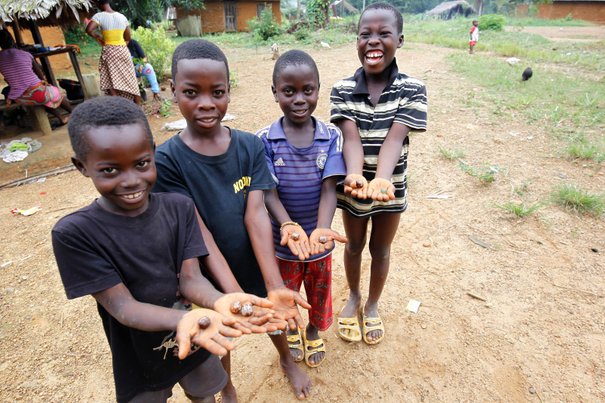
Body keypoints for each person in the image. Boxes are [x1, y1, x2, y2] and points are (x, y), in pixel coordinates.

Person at [51, 96, 283, 402]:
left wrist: (222, 301)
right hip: (140, 354)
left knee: (205, 394)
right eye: (110, 170)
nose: (131, 181)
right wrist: (183, 320)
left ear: (153, 155)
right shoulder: (76, 233)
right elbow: (123, 307)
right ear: (81, 166)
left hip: (199, 338)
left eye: (142, 164)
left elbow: (191, 280)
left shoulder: (179, 208)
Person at [153, 39, 313, 401]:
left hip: (255, 256)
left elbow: (256, 213)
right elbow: (198, 231)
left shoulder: (248, 146)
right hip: (207, 271)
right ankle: (226, 386)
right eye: (192, 92)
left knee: (273, 310)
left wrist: (272, 282)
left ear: (229, 91)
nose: (207, 103)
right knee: (222, 328)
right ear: (173, 91)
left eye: (218, 92)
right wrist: (232, 293)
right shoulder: (167, 161)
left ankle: (286, 359)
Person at [330, 3, 428, 345]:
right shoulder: (341, 89)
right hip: (353, 188)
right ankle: (354, 295)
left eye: (383, 33)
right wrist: (356, 175)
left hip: (393, 187)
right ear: (356, 40)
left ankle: (372, 305)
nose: (373, 40)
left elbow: (396, 137)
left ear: (399, 40)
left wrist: (382, 180)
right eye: (365, 34)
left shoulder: (413, 89)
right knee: (354, 245)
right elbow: (350, 138)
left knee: (381, 249)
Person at [256, 50, 347, 368]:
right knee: (287, 293)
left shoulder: (331, 136)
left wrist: (321, 231)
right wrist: (286, 225)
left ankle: (312, 330)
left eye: (307, 90)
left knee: (319, 294)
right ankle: (293, 329)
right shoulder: (264, 140)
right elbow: (269, 193)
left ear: (319, 90)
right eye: (288, 91)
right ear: (275, 93)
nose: (299, 99)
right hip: (283, 247)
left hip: (319, 246)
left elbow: (328, 190)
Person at [0, 29, 72, 125]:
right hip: (38, 93)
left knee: (40, 98)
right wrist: (44, 83)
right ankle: (74, 113)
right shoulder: (26, 54)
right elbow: (40, 75)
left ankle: (60, 118)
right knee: (54, 93)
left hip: (22, 98)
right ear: (12, 41)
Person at [86, 0, 141, 104]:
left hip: (110, 50)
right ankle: (138, 106)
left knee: (110, 79)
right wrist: (121, 47)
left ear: (98, 4)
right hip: (123, 51)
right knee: (131, 79)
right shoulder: (122, 17)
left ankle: (118, 104)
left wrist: (98, 37)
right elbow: (128, 37)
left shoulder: (99, 16)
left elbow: (89, 30)